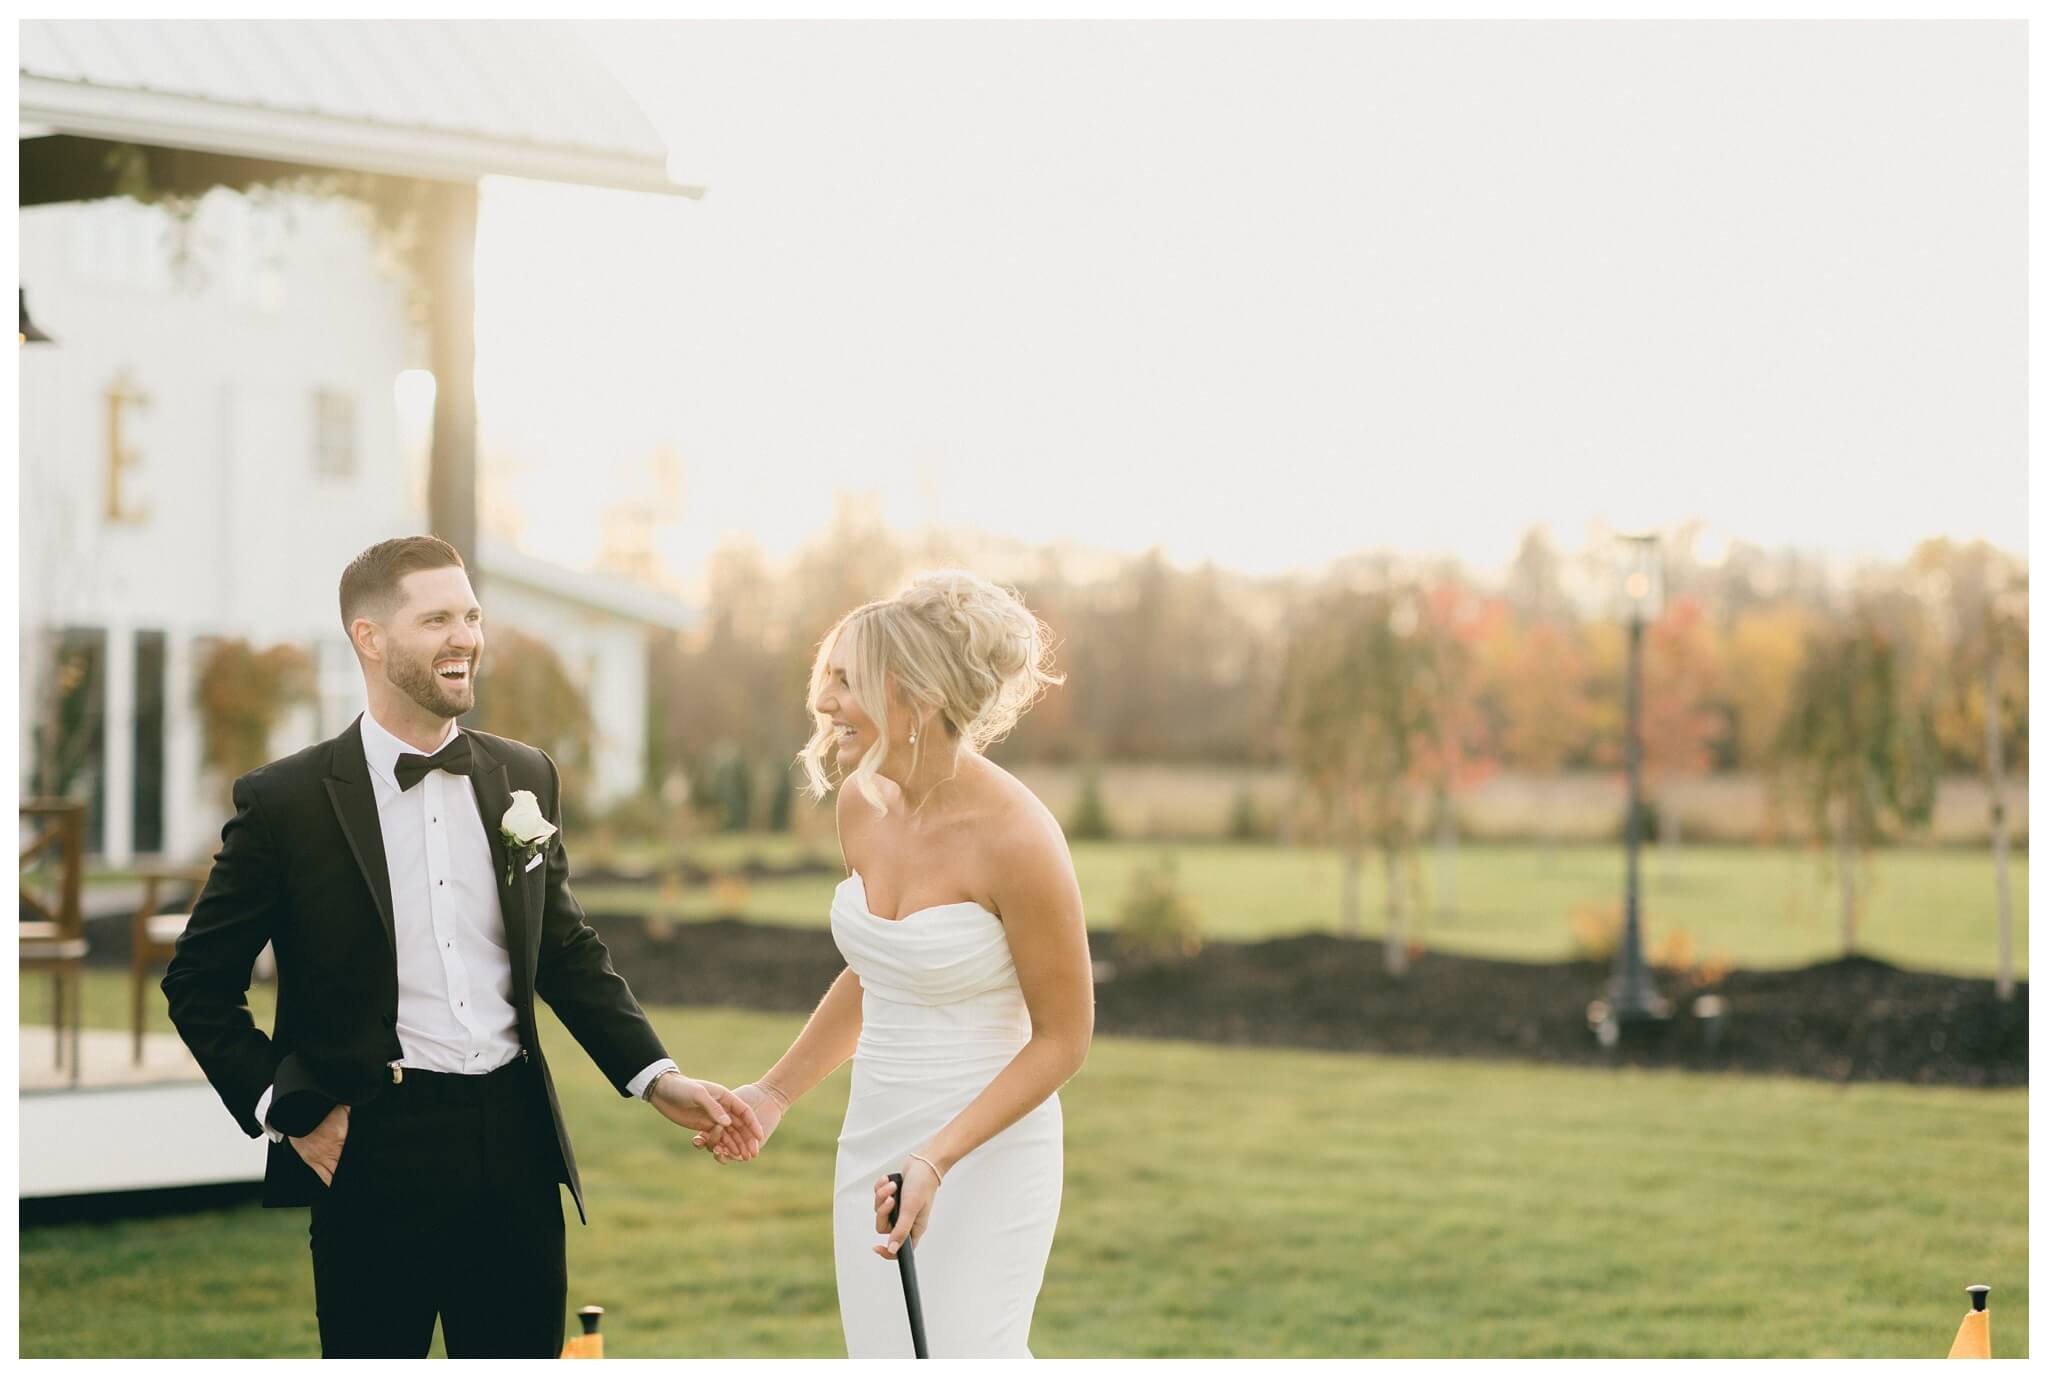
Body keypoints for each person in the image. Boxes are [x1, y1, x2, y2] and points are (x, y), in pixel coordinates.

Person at [162, 535, 762, 1358]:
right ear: (370, 638)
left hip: (514, 1143)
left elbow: (563, 946)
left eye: (472, 615)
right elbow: (197, 982)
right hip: (371, 1145)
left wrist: (656, 1077)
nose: (466, 637)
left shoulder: (524, 777)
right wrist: (288, 1112)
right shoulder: (287, 802)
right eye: (437, 617)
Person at [694, 570, 1094, 1358]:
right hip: (875, 1140)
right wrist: (773, 1094)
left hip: (983, 1150)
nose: (824, 702)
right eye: (827, 677)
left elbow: (1065, 1038)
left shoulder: (1019, 837)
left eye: (847, 681)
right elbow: (881, 971)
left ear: (918, 694)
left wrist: (938, 1158)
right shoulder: (860, 805)